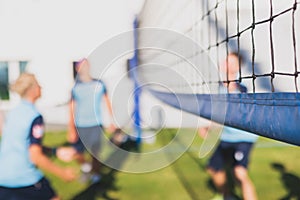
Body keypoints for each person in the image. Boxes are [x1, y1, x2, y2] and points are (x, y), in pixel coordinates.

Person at [0, 73, 77, 200]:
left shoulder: (14, 112)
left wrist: (55, 151)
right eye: (38, 84)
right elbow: (35, 156)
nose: (41, 87)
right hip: (24, 177)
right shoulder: (34, 116)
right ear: (32, 89)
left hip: (3, 177)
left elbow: (22, 144)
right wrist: (62, 173)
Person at [199, 52, 258, 200]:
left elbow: (233, 98)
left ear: (237, 67)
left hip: (243, 137)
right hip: (226, 137)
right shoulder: (220, 88)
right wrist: (208, 126)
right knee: (213, 168)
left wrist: (230, 80)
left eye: (230, 62)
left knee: (239, 173)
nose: (225, 63)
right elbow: (220, 114)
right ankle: (227, 196)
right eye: (225, 60)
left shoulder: (239, 87)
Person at [67, 58, 115, 183]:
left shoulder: (99, 84)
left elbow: (107, 101)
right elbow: (72, 108)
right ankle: (86, 167)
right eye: (81, 66)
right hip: (80, 124)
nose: (84, 68)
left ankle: (96, 174)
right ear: (77, 68)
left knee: (95, 152)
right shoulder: (75, 87)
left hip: (95, 124)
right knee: (77, 152)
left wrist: (112, 120)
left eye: (86, 65)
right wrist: (71, 128)